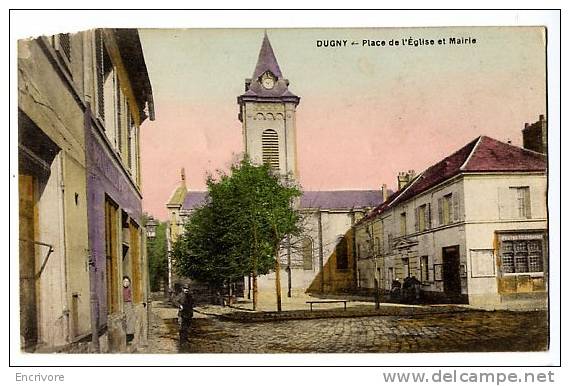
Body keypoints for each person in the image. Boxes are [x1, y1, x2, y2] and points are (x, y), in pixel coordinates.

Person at [122, 276, 135, 343]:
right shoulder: (121, 290)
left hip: (129, 305)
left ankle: (128, 336)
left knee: (129, 320)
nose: (126, 283)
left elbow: (132, 298)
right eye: (124, 281)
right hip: (122, 305)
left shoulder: (130, 290)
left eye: (127, 282)